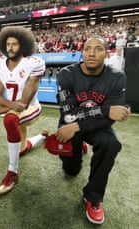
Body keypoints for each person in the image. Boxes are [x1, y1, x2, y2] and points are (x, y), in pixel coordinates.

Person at [55, 36, 130, 224]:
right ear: (82, 51)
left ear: (106, 53)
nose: (91, 53)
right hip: (71, 125)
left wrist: (79, 125)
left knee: (110, 143)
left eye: (98, 49)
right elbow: (69, 115)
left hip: (90, 127)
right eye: (87, 48)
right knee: (71, 171)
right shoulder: (66, 74)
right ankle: (79, 147)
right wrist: (105, 110)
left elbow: (109, 121)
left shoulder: (117, 77)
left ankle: (93, 197)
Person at [0, 26, 47, 195]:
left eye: (15, 44)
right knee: (20, 149)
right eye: (8, 44)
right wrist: (3, 106)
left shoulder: (33, 64)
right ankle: (42, 136)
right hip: (14, 108)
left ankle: (12, 172)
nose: (10, 47)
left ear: (23, 46)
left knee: (9, 119)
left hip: (31, 108)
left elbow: (23, 104)